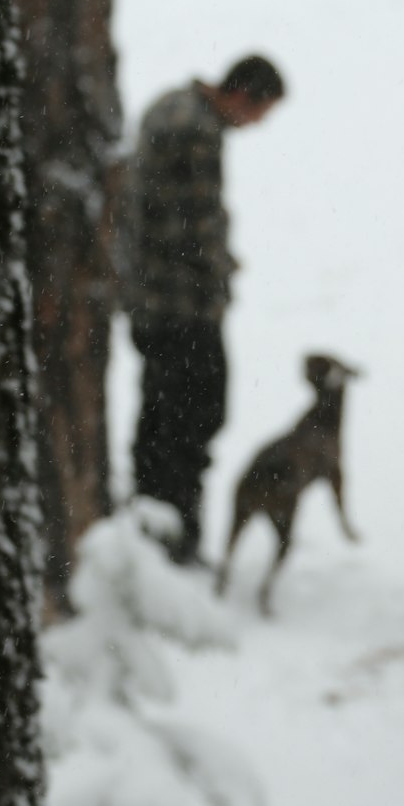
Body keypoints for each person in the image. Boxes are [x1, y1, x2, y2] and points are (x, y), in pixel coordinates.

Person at [128, 54, 286, 565]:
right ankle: (175, 536)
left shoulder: (169, 108)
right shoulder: (198, 130)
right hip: (183, 305)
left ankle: (151, 526)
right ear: (244, 95)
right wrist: (220, 269)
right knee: (194, 417)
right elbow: (195, 225)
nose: (257, 125)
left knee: (158, 418)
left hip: (147, 298)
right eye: (261, 113)